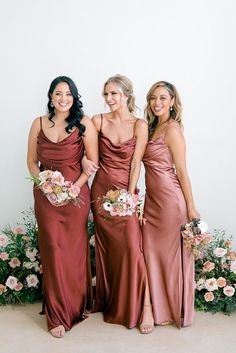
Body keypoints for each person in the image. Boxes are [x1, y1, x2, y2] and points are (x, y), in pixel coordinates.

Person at [27, 76, 98, 338]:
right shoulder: (38, 123)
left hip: (75, 196)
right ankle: (57, 314)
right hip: (45, 196)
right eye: (58, 94)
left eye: (68, 94)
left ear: (74, 97)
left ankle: (78, 303)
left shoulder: (85, 123)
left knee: (75, 249)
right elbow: (32, 162)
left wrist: (72, 189)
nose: (63, 98)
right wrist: (44, 184)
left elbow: (92, 162)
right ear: (50, 96)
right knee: (53, 250)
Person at [85, 74, 154, 332]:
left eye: (114, 93)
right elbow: (87, 153)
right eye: (106, 94)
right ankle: (112, 300)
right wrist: (83, 162)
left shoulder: (140, 124)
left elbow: (136, 163)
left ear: (126, 95)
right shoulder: (98, 120)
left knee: (133, 248)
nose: (109, 99)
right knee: (108, 248)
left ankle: (144, 306)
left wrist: (130, 194)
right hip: (101, 191)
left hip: (126, 191)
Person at [142, 81, 200, 329]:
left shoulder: (172, 129)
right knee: (151, 254)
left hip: (170, 201)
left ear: (173, 101)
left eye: (163, 98)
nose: (157, 103)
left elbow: (182, 172)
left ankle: (173, 310)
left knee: (170, 256)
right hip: (151, 201)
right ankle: (155, 308)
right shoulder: (152, 127)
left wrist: (191, 207)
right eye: (153, 98)